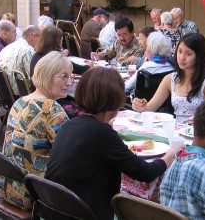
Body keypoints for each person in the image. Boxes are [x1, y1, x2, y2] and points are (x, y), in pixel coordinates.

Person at [44, 67, 181, 219]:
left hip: (53, 208)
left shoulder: (69, 125)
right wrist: (169, 156)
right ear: (116, 101)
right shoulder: (102, 133)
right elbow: (145, 173)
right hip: (84, 213)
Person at [0, 51, 71, 210]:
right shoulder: (51, 108)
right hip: (33, 194)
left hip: (6, 187)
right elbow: (70, 155)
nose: (70, 82)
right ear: (47, 75)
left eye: (70, 77)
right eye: (64, 76)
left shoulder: (19, 101)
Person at [132, 33, 205, 124]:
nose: (182, 57)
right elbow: (150, 107)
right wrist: (140, 106)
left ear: (198, 56)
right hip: (175, 131)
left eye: (188, 54)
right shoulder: (170, 79)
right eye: (180, 51)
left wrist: (202, 119)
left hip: (199, 132)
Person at [0, 25, 41, 96]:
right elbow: (34, 78)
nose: (41, 41)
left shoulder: (6, 48)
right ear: (33, 36)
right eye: (40, 38)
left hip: (5, 91)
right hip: (21, 93)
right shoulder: (28, 50)